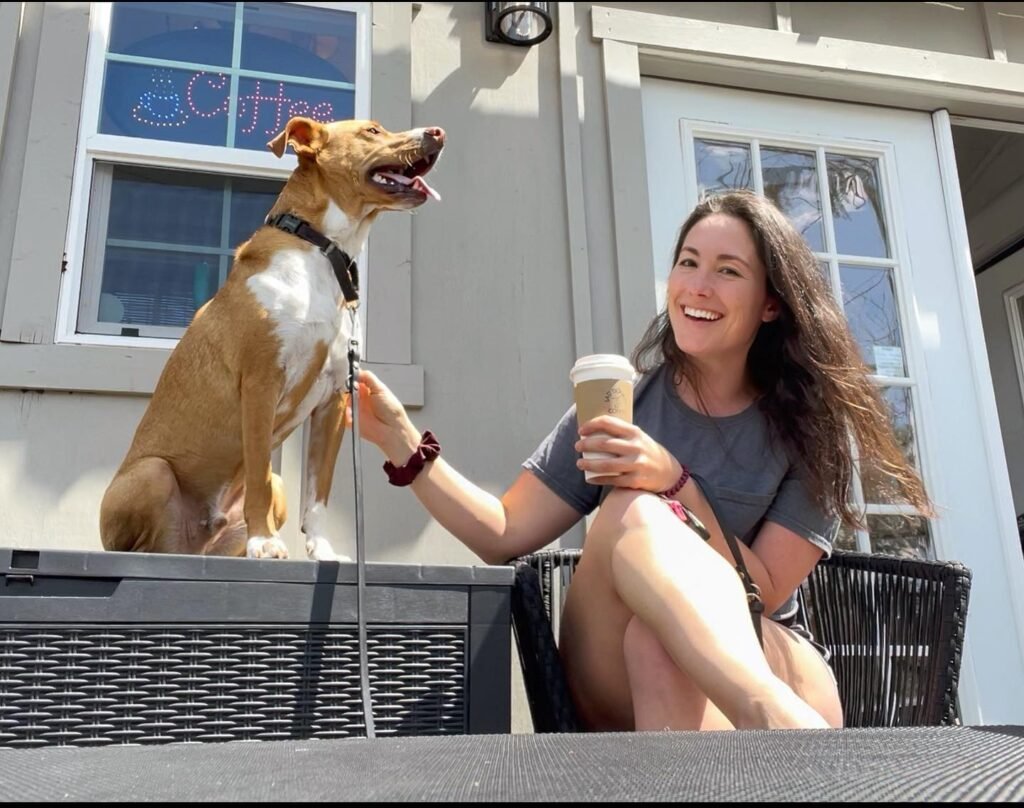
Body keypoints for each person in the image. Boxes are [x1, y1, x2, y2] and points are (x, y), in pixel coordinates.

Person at [349, 190, 931, 732]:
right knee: (631, 507)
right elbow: (503, 533)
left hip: (767, 650)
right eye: (688, 262)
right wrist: (404, 443)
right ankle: (784, 729)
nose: (697, 286)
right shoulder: (618, 404)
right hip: (609, 675)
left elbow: (772, 592)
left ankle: (768, 714)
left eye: (728, 271)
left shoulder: (811, 430)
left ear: (771, 305)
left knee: (659, 639)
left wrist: (677, 485)